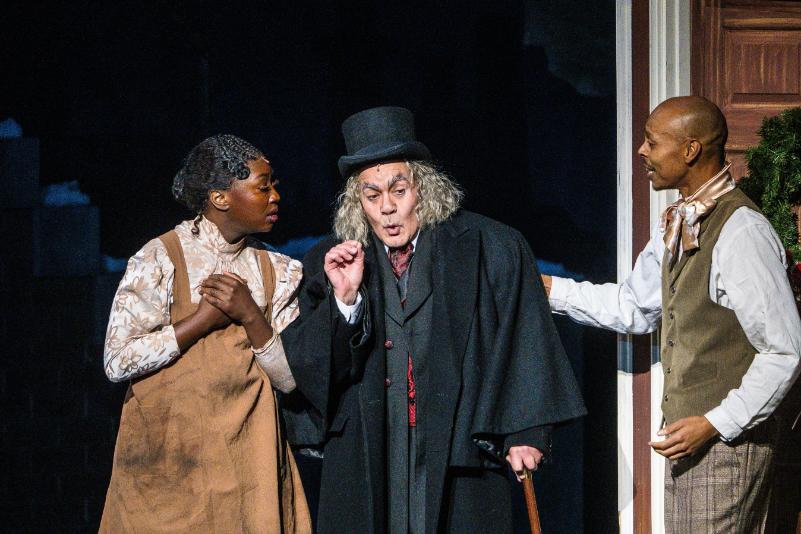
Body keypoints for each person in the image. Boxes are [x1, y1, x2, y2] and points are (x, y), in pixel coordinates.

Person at [280, 106, 585, 534]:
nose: (387, 208)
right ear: (357, 202)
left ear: (423, 187)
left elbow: (525, 336)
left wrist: (526, 432)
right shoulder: (330, 261)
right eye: (372, 196)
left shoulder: (490, 246)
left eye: (398, 190)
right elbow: (309, 369)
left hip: (460, 443)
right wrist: (344, 302)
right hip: (371, 447)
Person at [542, 96, 801, 533]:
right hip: (691, 441)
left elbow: (784, 350)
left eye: (652, 141)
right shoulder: (679, 222)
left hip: (727, 442)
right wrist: (550, 289)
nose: (642, 151)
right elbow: (633, 307)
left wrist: (714, 423)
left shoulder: (742, 231)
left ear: (690, 149)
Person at [100, 134, 310, 533]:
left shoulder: (279, 271)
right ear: (220, 198)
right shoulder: (160, 258)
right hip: (170, 468)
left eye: (274, 185)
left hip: (249, 463)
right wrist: (199, 322)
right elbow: (117, 360)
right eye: (262, 187)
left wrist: (251, 316)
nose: (275, 196)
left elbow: (288, 379)